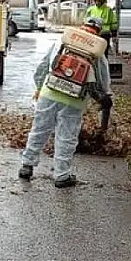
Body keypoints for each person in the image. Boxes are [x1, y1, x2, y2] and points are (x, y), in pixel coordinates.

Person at [19, 17, 113, 188]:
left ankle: (27, 166)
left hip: (50, 91)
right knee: (66, 136)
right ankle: (62, 175)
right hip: (75, 98)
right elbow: (102, 80)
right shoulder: (96, 52)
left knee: (39, 129)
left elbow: (42, 67)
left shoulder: (63, 41)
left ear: (82, 26)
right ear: (98, 31)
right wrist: (104, 96)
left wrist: (40, 87)